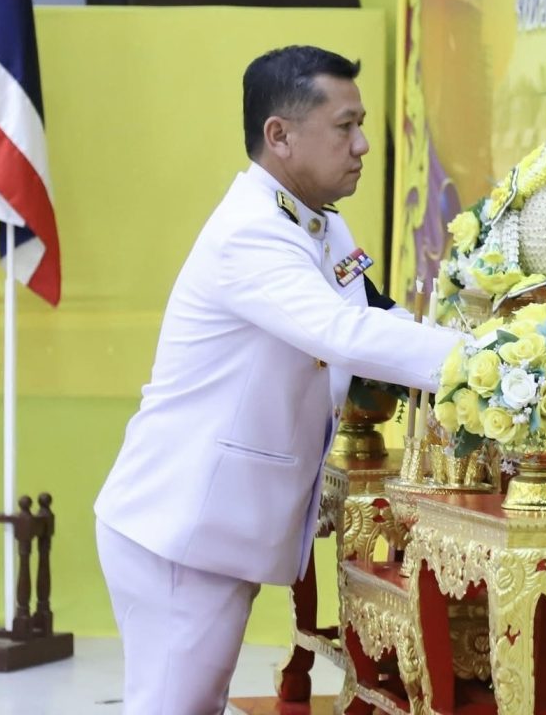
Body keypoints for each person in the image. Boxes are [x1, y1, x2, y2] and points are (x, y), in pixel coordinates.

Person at [94, 45, 461, 714]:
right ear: (280, 135)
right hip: (179, 525)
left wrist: (468, 343)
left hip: (203, 525)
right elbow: (341, 333)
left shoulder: (316, 222)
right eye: (345, 126)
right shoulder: (252, 233)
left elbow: (374, 312)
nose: (363, 145)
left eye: (361, 124)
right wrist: (482, 362)